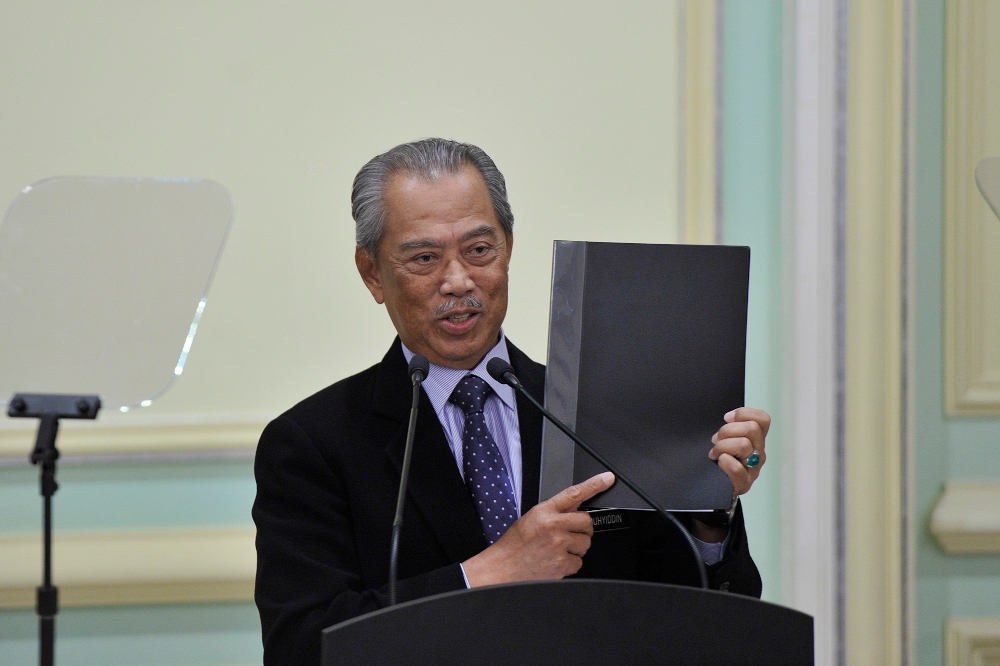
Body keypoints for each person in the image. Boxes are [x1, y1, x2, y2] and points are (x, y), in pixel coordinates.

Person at [252, 138, 769, 665]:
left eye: (479, 250)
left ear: (509, 248)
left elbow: (695, 617)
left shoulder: (597, 410)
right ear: (372, 273)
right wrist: (487, 573)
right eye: (425, 258)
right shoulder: (313, 444)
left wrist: (709, 508)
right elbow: (302, 646)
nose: (458, 281)